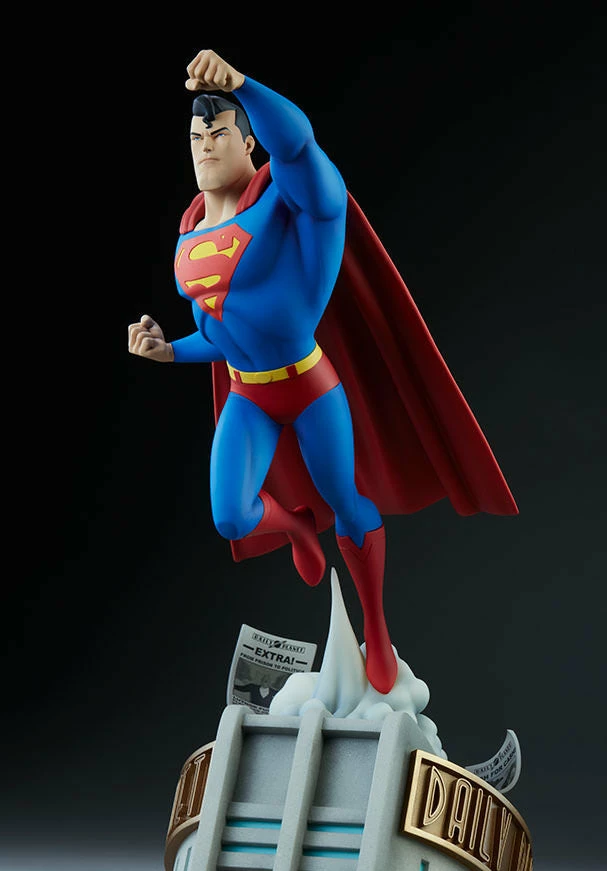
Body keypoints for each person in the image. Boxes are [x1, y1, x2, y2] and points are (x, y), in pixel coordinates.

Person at [129, 49, 518, 695]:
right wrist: (169, 351)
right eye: (195, 137)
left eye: (218, 133)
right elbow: (221, 334)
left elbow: (299, 143)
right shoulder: (191, 225)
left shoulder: (291, 201)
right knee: (231, 517)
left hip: (308, 387)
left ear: (248, 142)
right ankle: (293, 527)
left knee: (345, 500)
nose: (205, 147)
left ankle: (377, 629)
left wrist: (244, 84)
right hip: (248, 397)